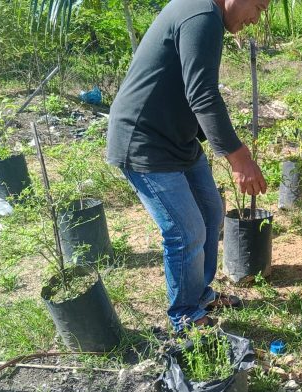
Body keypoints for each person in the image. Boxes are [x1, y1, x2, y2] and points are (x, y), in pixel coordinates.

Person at [106, 0, 270, 332]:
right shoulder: (201, 14)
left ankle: (199, 294)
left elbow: (190, 89)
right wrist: (239, 157)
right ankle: (184, 314)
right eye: (259, 6)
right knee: (185, 230)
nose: (257, 18)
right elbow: (204, 94)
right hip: (145, 143)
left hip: (175, 139)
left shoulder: (205, 14)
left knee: (210, 211)